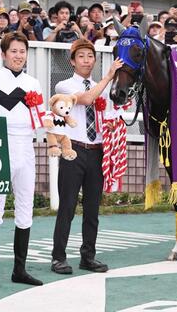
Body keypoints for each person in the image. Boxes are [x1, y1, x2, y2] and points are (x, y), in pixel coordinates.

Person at [0, 32, 45, 289]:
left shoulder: (33, 83)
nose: (18, 56)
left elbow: (39, 120)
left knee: (26, 209)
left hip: (27, 147)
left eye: (22, 51)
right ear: (3, 54)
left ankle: (20, 270)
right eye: (13, 51)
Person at [51, 38, 123, 275]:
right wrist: (109, 76)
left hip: (97, 151)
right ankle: (58, 257)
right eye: (81, 56)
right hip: (74, 150)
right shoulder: (64, 86)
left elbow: (105, 111)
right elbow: (85, 99)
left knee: (92, 209)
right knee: (68, 207)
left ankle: (87, 256)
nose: (86, 60)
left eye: (90, 56)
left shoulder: (99, 86)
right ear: (72, 61)